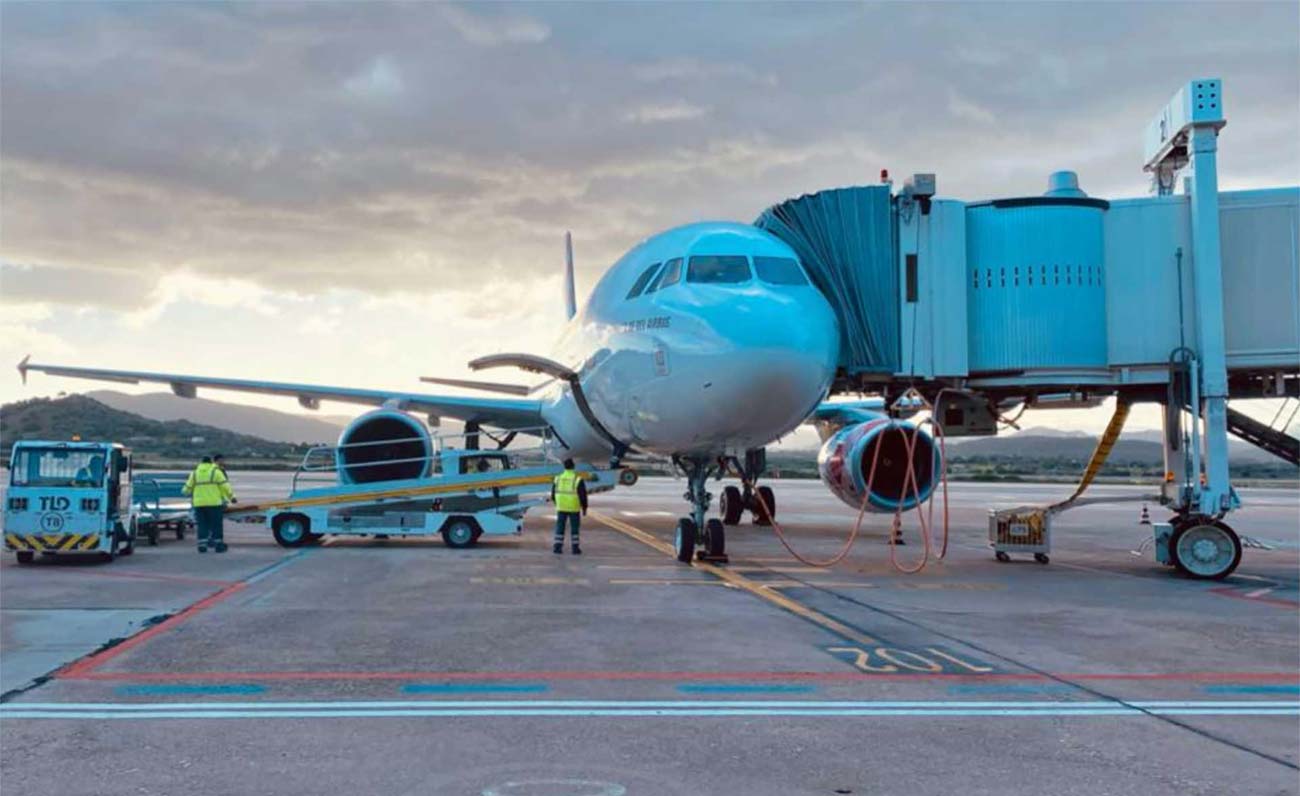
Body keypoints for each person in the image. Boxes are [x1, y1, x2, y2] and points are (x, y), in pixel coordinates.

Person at [183, 455, 237, 554]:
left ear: (201, 463)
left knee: (202, 524)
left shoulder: (195, 473)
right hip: (214, 503)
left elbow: (186, 489)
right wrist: (232, 497)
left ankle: (202, 545)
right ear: (211, 462)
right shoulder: (216, 472)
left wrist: (186, 492)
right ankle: (218, 545)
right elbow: (225, 486)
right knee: (216, 525)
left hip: (199, 504)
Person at [550, 458, 587, 555]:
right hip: (573, 507)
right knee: (574, 528)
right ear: (573, 466)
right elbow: (583, 495)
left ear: (564, 467)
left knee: (560, 526)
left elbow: (553, 494)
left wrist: (557, 503)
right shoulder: (577, 479)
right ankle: (575, 549)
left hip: (561, 506)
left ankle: (557, 548)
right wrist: (584, 507)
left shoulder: (557, 478)